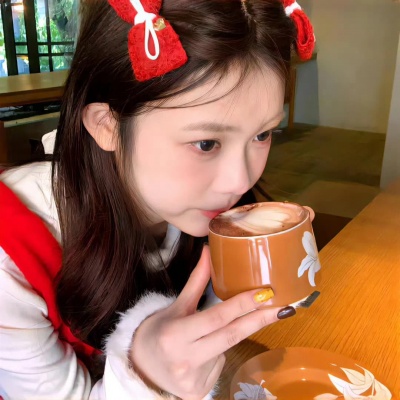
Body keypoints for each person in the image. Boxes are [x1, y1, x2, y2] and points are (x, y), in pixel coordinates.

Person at [0, 0, 315, 398]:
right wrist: (144, 376)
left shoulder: (205, 210)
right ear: (106, 125)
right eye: (206, 143)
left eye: (263, 134)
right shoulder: (12, 255)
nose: (240, 181)